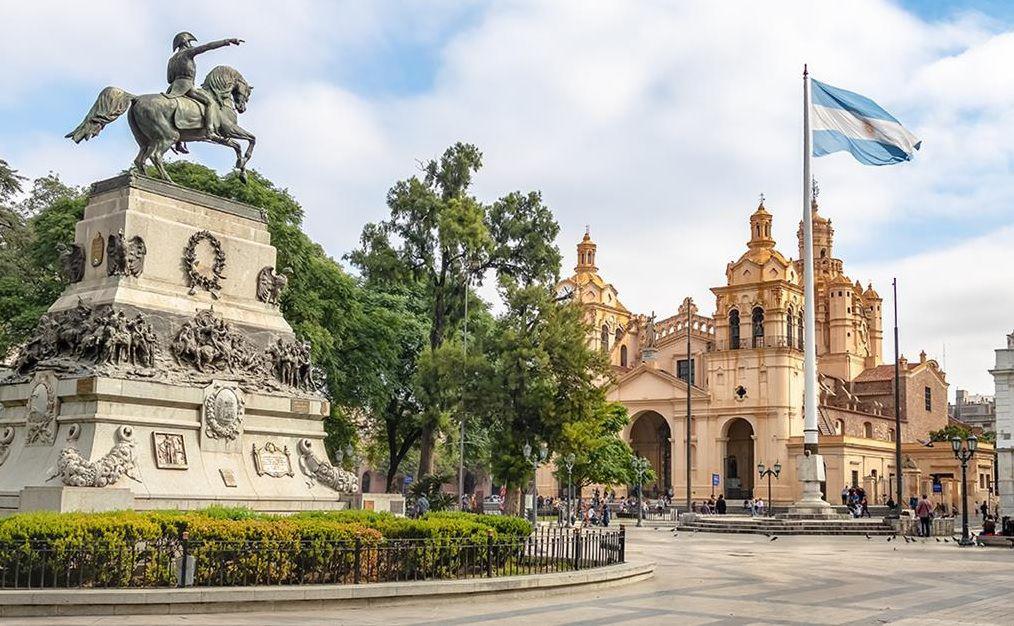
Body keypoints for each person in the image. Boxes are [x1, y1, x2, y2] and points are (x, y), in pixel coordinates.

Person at [165, 32, 242, 144]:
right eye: (189, 42)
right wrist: (227, 41)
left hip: (173, 88)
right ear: (185, 42)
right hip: (187, 86)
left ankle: (179, 141)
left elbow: (169, 79)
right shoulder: (187, 53)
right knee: (210, 102)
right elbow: (207, 47)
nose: (190, 45)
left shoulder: (171, 60)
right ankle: (210, 131)